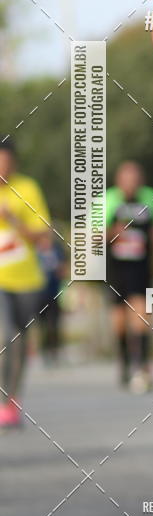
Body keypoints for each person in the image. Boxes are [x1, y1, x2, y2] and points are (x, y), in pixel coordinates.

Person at [0, 140, 51, 431]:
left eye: (7, 163)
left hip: (27, 280)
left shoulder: (28, 188)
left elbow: (42, 235)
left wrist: (14, 220)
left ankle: (12, 400)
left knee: (17, 342)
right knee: (3, 335)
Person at [105, 161, 153, 393]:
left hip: (141, 267)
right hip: (116, 269)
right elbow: (92, 234)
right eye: (126, 178)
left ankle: (143, 366)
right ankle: (124, 362)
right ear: (118, 180)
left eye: (134, 177)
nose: (130, 182)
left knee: (142, 315)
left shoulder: (152, 198)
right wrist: (113, 232)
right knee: (119, 320)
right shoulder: (108, 200)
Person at [37, 231, 67, 366]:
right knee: (42, 325)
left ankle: (54, 351)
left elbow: (63, 270)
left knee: (54, 324)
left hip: (54, 293)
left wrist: (60, 270)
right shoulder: (35, 252)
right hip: (38, 294)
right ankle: (44, 351)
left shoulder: (57, 250)